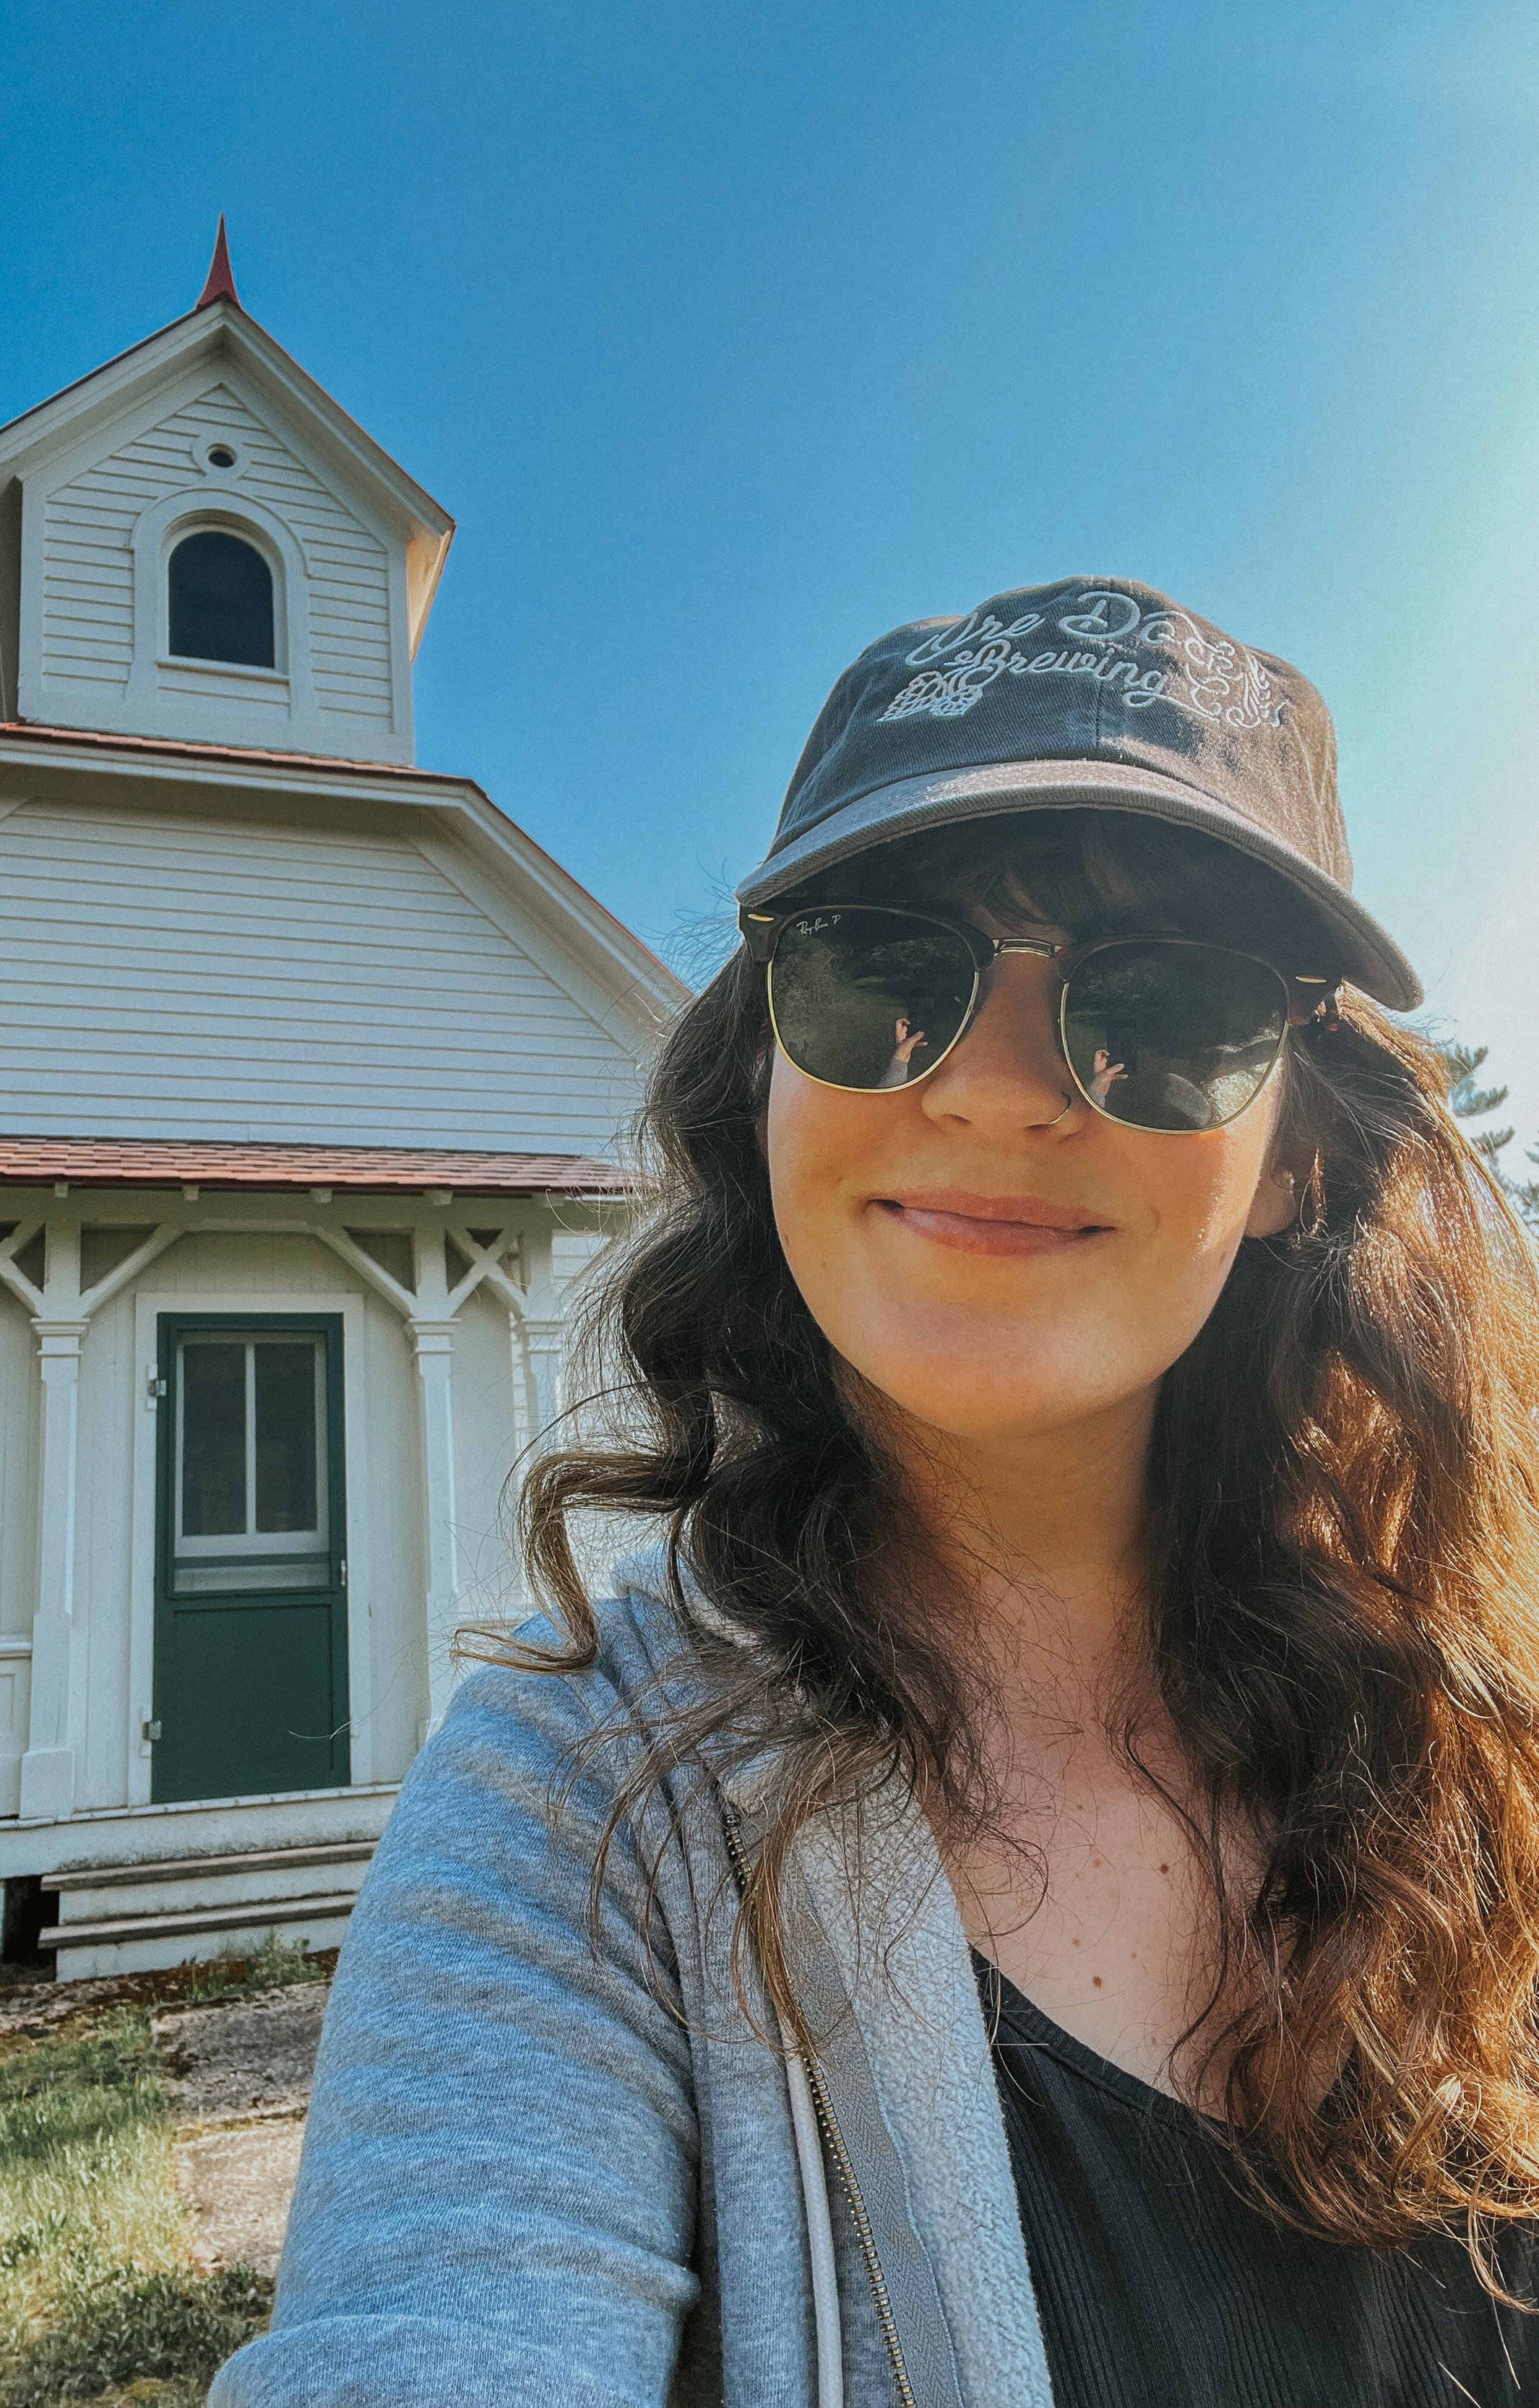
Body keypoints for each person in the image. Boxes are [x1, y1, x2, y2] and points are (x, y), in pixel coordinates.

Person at [212, 577, 1539, 2408]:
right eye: (874, 968)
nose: (994, 1095)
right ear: (760, 1071)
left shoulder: (1485, 1730)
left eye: (1157, 1004)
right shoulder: (584, 1801)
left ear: (1295, 1160)